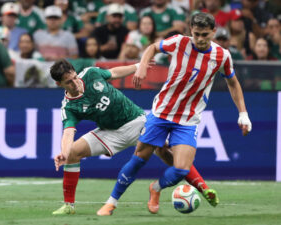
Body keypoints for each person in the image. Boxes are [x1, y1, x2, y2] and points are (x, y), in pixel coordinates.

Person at [97, 12, 252, 216]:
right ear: (191, 31)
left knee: (181, 169)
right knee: (139, 158)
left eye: (205, 34)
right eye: (196, 34)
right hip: (162, 112)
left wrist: (243, 113)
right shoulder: (179, 42)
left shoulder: (222, 56)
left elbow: (233, 83)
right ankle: (111, 202)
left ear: (214, 32)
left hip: (188, 120)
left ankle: (156, 188)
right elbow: (153, 47)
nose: (200, 39)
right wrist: (142, 65)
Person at [51, 59, 219, 215]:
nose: (75, 83)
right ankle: (69, 206)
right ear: (59, 84)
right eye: (69, 82)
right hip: (109, 132)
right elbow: (68, 133)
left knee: (166, 152)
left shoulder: (90, 74)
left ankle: (203, 188)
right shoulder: (69, 106)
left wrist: (138, 66)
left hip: (136, 121)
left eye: (74, 77)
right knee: (73, 153)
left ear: (75, 72)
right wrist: (64, 153)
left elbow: (114, 73)